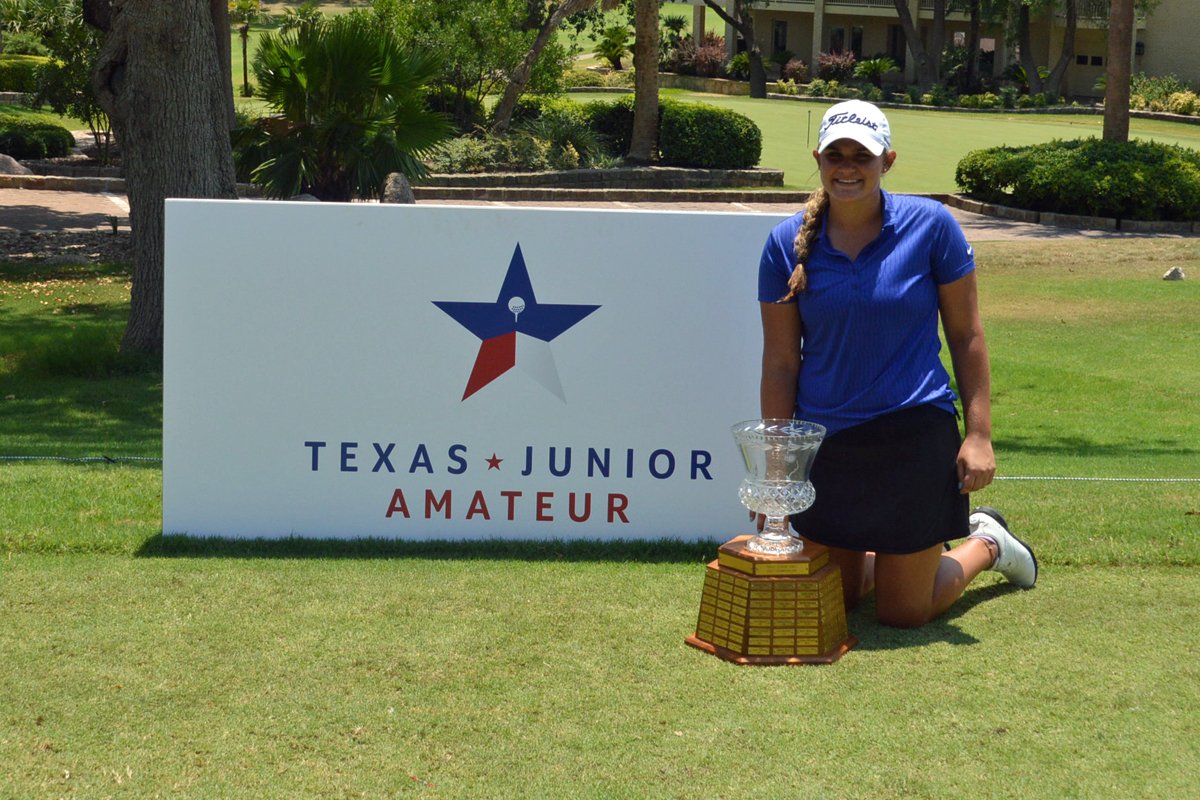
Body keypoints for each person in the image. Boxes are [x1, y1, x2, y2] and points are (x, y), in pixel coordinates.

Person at [756, 99, 1037, 628]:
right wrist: (779, 473)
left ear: (887, 161)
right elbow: (780, 366)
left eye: (861, 155)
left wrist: (979, 435)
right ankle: (887, 556)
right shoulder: (785, 244)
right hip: (827, 440)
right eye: (835, 154)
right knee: (835, 602)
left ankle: (988, 542)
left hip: (913, 431)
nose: (847, 166)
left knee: (904, 611)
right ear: (818, 157)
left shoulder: (931, 226)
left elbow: (966, 333)